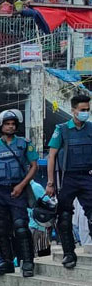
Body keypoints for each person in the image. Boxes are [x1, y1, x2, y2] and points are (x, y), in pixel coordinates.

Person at [0, 109, 38, 277]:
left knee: (21, 227)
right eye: (7, 124)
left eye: (13, 124)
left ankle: (27, 261)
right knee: (1, 229)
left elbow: (34, 166)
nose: (10, 127)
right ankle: (6, 261)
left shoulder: (24, 144)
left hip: (17, 190)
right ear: (1, 126)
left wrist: (21, 186)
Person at [45, 95, 92, 269]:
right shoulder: (62, 130)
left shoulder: (91, 128)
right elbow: (52, 156)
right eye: (82, 110)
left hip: (88, 177)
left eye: (87, 110)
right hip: (67, 178)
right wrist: (50, 183)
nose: (85, 113)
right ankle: (69, 253)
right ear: (73, 110)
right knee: (64, 217)